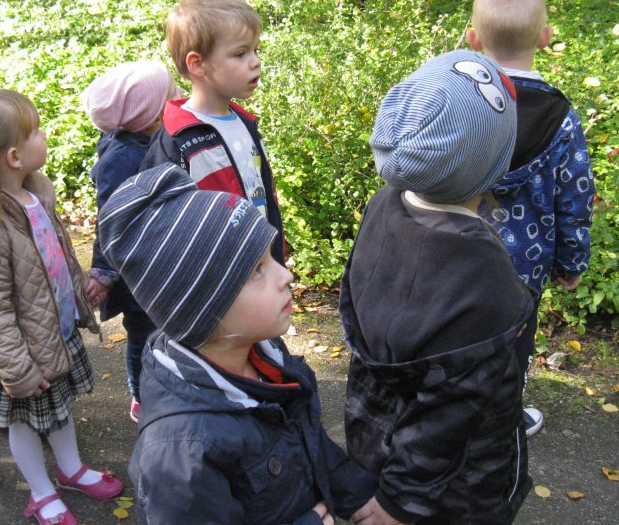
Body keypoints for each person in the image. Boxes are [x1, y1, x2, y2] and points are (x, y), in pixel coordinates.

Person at [98, 163, 379, 525]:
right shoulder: (179, 456)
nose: (286, 275)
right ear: (202, 308)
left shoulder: (266, 355)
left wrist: (358, 495)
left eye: (272, 259)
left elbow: (306, 442)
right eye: (256, 270)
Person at [339, 50, 534, 525]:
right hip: (457, 488)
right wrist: (399, 501)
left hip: (372, 434)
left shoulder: (383, 207)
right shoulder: (483, 277)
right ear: (494, 164)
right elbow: (448, 413)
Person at [0, 90, 123, 525]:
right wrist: (18, 370)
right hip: (20, 356)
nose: (45, 135)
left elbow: (52, 257)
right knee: (23, 424)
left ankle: (70, 469)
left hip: (53, 334)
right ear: (13, 156)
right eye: (37, 131)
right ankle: (41, 493)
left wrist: (78, 290)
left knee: (60, 411)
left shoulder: (34, 193)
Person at [467, 0, 595, 437]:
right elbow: (575, 195)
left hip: (458, 248)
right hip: (525, 261)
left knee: (458, 331)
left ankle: (454, 412)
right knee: (515, 339)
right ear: (545, 36)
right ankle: (504, 422)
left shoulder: (462, 102)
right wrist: (571, 260)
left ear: (473, 38)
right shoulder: (561, 118)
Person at [138, 0, 286, 264]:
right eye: (240, 53)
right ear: (197, 64)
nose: (256, 62)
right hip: (215, 274)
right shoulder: (177, 140)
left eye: (255, 50)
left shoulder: (245, 123)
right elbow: (159, 226)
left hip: (258, 266)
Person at [82, 59, 182, 422]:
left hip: (161, 261)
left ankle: (170, 387)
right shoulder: (123, 157)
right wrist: (103, 272)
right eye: (171, 92)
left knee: (168, 330)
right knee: (143, 335)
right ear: (149, 113)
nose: (179, 94)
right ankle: (142, 398)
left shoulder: (153, 137)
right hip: (137, 271)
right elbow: (111, 218)